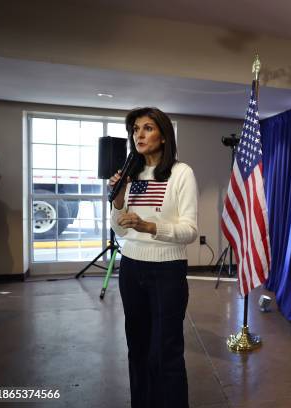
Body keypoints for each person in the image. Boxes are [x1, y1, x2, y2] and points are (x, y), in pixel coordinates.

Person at [109, 107, 198, 408]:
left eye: (147, 128)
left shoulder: (181, 172)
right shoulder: (130, 174)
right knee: (138, 347)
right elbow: (117, 229)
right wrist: (118, 198)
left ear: (163, 136)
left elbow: (188, 230)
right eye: (135, 129)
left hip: (167, 271)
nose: (139, 135)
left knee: (166, 350)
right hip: (131, 267)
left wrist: (148, 226)